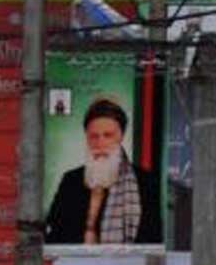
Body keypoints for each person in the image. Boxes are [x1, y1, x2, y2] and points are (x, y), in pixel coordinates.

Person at [43, 97, 162, 247]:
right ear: (86, 138)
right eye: (94, 136)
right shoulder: (71, 180)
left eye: (108, 135)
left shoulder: (145, 182)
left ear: (121, 136)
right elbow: (54, 235)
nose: (100, 143)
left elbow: (152, 241)